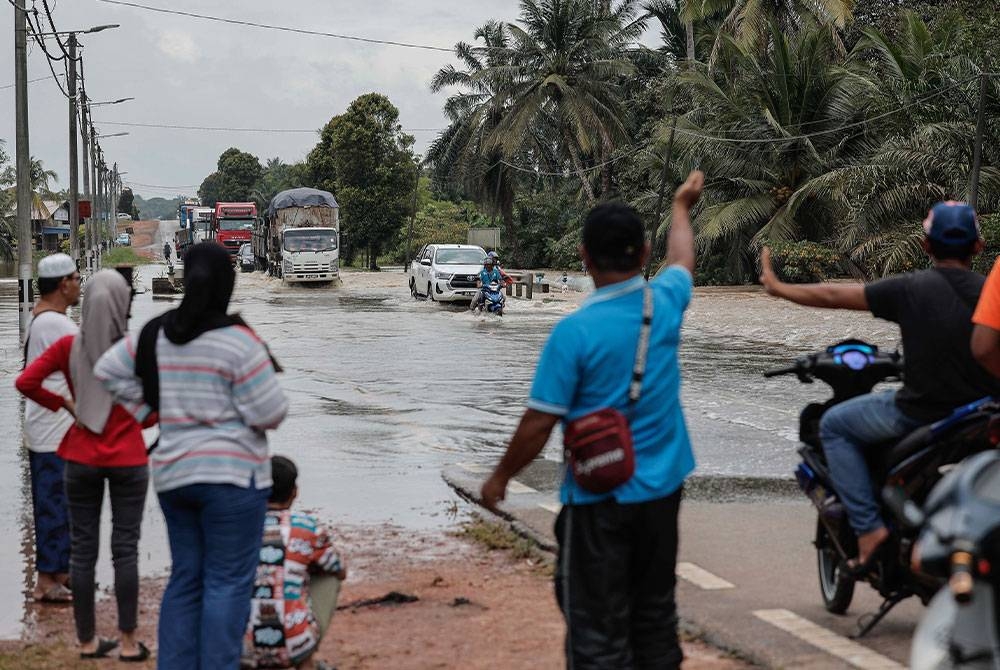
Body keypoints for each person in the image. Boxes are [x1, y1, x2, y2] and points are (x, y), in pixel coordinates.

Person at [481, 171, 705, 669]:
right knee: (654, 615)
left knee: (596, 632)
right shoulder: (664, 301)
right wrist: (681, 206)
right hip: (662, 497)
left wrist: (500, 477)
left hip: (597, 500)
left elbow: (538, 424)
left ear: (583, 257)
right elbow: (684, 259)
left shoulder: (573, 332)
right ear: (645, 254)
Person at [760, 201, 1000, 571]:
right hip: (980, 415)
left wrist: (779, 288)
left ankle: (869, 529)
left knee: (834, 425)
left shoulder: (909, 288)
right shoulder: (990, 294)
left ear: (925, 246)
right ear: (978, 248)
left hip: (917, 414)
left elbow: (833, 296)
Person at [95, 242, 289, 670]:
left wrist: (152, 407)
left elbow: (107, 369)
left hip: (173, 475)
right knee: (227, 582)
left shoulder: (157, 332)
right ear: (227, 283)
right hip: (234, 480)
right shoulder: (238, 342)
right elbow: (271, 412)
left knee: (186, 577)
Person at [17, 270, 152, 661]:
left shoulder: (68, 347)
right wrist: (137, 421)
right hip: (128, 458)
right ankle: (128, 643)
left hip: (79, 456)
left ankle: (87, 641)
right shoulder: (133, 351)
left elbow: (26, 383)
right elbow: (154, 410)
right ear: (123, 303)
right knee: (125, 549)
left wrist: (66, 405)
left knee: (83, 551)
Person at [243, 456, 345, 670]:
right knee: (327, 574)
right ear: (294, 492)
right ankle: (306, 661)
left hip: (240, 648)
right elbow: (339, 569)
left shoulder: (236, 528)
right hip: (295, 644)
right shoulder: (306, 527)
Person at [22, 253, 80, 604]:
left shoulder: (42, 319)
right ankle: (46, 579)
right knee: (54, 505)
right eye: (76, 278)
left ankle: (60, 572)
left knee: (59, 503)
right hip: (53, 432)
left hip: (51, 429)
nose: (78, 284)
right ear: (63, 284)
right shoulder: (57, 326)